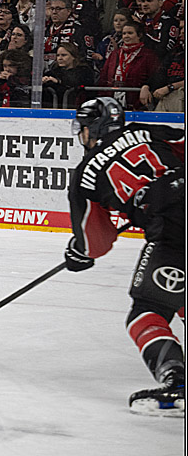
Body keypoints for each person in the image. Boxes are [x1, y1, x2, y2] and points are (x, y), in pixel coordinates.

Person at [65, 97, 185, 417]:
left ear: (94, 129)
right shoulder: (145, 131)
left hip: (174, 229)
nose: (82, 136)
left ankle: (178, 382)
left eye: (84, 129)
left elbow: (97, 243)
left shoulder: (85, 174)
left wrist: (79, 251)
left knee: (149, 311)